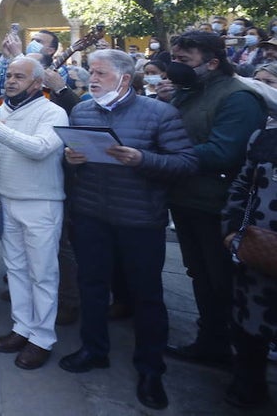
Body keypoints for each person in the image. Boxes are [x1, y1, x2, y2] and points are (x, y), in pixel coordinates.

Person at [59, 49, 198, 411]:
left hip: (139, 219)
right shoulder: (83, 110)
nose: (92, 78)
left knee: (146, 296)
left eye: (100, 73)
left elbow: (186, 162)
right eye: (91, 71)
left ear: (123, 78)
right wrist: (70, 158)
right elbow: (73, 156)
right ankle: (93, 349)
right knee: (92, 285)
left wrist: (142, 158)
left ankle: (150, 369)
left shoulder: (159, 113)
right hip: (90, 214)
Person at [156, 31, 265, 369]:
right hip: (186, 198)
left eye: (184, 60)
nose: (176, 66)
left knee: (221, 279)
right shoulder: (189, 92)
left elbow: (224, 151)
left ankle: (239, 354)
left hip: (217, 206)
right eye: (174, 59)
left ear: (213, 62)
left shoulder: (238, 98)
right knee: (200, 274)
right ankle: (211, 341)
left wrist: (163, 154)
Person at [0, 56, 67, 370]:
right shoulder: (0, 110)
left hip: (41, 203)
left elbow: (40, 148)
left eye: (20, 77)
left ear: (37, 83)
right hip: (8, 200)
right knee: (16, 269)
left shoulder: (53, 112)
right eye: (9, 75)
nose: (11, 81)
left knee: (42, 273)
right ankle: (22, 327)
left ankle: (42, 338)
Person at [221, 73, 277, 408]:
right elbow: (241, 187)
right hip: (257, 250)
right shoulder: (265, 137)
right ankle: (248, 388)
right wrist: (231, 231)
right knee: (251, 327)